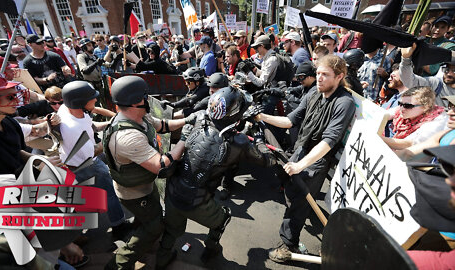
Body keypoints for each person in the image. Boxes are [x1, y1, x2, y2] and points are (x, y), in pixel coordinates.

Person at [155, 86, 278, 268]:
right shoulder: (240, 142)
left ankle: (161, 259)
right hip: (197, 202)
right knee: (224, 217)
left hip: (173, 192)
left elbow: (177, 123)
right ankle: (211, 249)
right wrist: (259, 139)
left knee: (171, 231)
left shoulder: (199, 116)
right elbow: (269, 161)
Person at [253, 55, 356, 262]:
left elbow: (328, 142)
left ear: (339, 76)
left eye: (325, 75)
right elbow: (290, 121)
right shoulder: (313, 94)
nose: (319, 78)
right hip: (301, 149)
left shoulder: (344, 103)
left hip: (318, 159)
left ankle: (288, 246)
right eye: (318, 73)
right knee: (292, 195)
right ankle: (296, 221)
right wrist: (262, 117)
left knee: (298, 203)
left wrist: (300, 165)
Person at [103, 76, 191, 269]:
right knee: (154, 227)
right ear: (135, 102)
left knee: (150, 215)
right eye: (145, 95)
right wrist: (185, 140)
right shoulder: (128, 136)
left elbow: (163, 126)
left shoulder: (138, 116)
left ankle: (140, 231)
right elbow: (161, 164)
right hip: (134, 193)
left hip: (143, 186)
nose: (148, 98)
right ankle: (120, 263)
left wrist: (188, 120)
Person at [58, 81, 131, 240]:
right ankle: (119, 226)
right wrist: (115, 132)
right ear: (80, 103)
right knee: (109, 192)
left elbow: (90, 126)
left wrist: (111, 122)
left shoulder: (68, 109)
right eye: (92, 98)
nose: (96, 101)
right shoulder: (72, 129)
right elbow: (93, 152)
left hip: (73, 163)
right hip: (87, 164)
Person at [0, 67, 62, 174]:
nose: (17, 100)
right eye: (10, 97)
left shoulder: (8, 122)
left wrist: (41, 161)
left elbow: (17, 152)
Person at [406, 145, 455, 270]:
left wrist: (387, 254)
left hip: (443, 235)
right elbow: (419, 168)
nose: (449, 181)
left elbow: (442, 263)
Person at [382, 86, 447, 150]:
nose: (401, 108)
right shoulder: (404, 108)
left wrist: (378, 138)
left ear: (426, 107)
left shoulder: (436, 122)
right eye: (400, 103)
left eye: (407, 106)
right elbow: (383, 114)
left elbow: (409, 143)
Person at [396, 95, 455, 161]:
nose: (449, 113)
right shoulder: (445, 134)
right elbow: (407, 154)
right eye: (450, 107)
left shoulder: (441, 127)